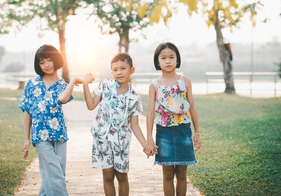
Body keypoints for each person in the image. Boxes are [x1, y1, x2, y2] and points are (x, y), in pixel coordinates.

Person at [19, 44, 86, 196]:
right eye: (42, 62)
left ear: (56, 60)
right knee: (55, 176)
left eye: (49, 60)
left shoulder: (63, 85)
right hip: (40, 137)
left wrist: (73, 80)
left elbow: (63, 99)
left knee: (54, 176)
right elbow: (26, 112)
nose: (47, 65)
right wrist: (26, 139)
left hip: (60, 135)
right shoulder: (31, 84)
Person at [82, 52, 150, 196]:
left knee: (121, 176)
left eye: (123, 68)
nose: (119, 72)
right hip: (102, 138)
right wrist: (85, 84)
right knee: (107, 176)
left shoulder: (134, 97)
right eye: (115, 69)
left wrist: (145, 144)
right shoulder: (105, 86)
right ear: (112, 71)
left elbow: (135, 125)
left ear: (132, 70)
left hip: (121, 142)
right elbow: (91, 105)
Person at [146, 42, 201, 196]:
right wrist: (149, 138)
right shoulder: (154, 85)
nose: (168, 61)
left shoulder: (185, 81)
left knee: (182, 174)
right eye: (163, 58)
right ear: (158, 62)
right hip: (164, 133)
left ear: (177, 60)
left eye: (172, 57)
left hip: (183, 130)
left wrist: (197, 133)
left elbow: (192, 107)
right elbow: (150, 113)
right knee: (168, 174)